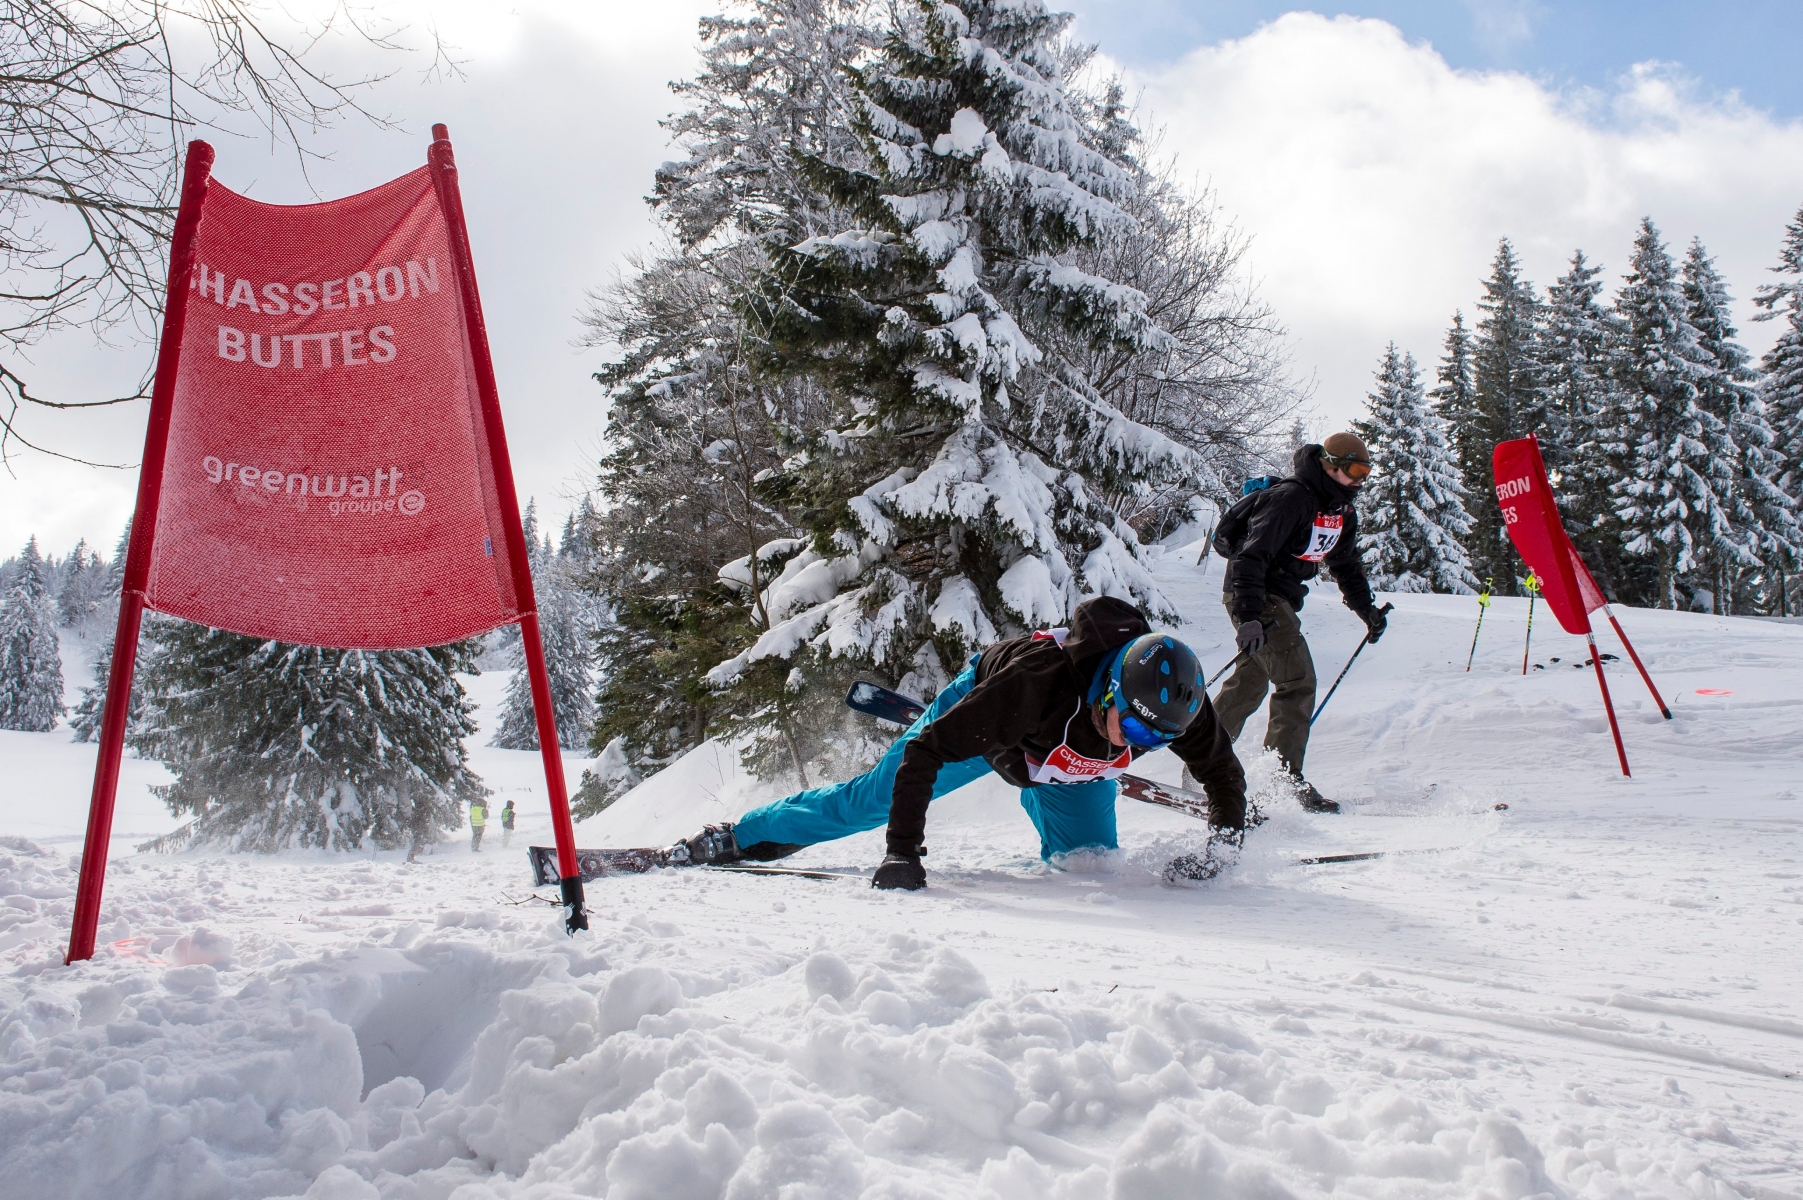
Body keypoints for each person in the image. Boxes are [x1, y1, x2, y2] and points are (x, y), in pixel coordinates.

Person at [670, 596, 1248, 890]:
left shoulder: (1178, 705)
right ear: (1108, 692)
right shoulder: (1032, 687)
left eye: (1158, 738)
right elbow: (922, 755)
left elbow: (1224, 775)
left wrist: (1220, 855)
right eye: (1139, 728)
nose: (1145, 744)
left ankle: (1036, 784)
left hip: (1062, 760)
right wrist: (902, 853)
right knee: (868, 802)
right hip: (995, 719)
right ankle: (740, 835)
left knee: (1087, 868)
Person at [1208, 433, 1386, 813]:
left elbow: (1346, 565)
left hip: (1279, 601)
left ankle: (1203, 760)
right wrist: (1249, 617)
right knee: (1297, 680)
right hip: (1255, 596)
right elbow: (1249, 558)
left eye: (1366, 472)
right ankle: (1282, 780)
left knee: (1250, 683)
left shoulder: (1340, 510)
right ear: (1330, 464)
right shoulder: (1292, 498)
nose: (1360, 480)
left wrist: (1366, 611)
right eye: (1355, 470)